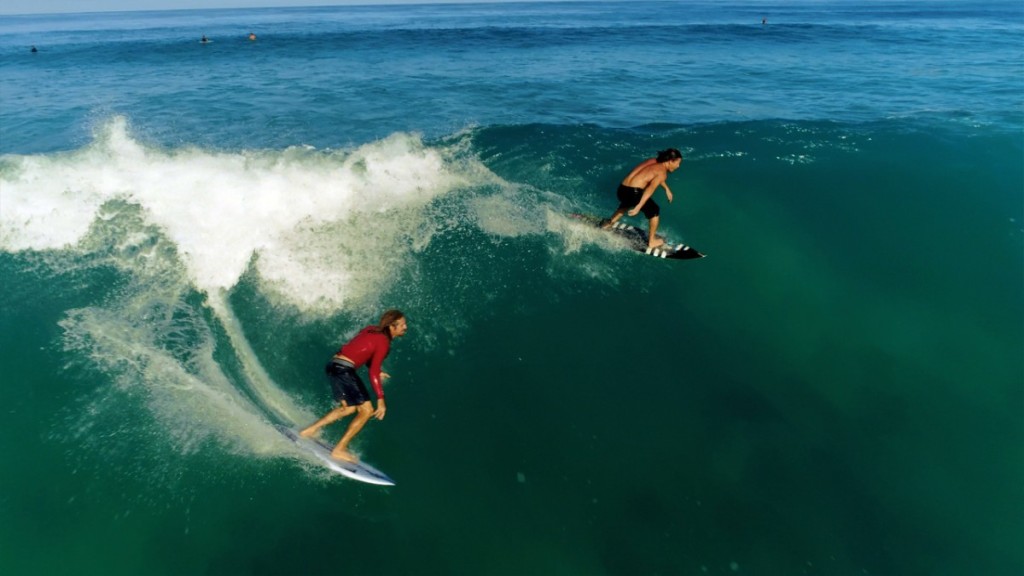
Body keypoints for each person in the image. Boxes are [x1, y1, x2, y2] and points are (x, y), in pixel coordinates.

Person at [300, 310, 408, 462]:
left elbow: (363, 348)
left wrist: (376, 370)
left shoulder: (370, 329)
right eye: (402, 324)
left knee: (349, 408)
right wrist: (381, 399)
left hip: (333, 365)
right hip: (344, 370)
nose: (406, 327)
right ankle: (339, 449)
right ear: (392, 326)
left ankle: (309, 430)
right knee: (367, 410)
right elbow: (373, 372)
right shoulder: (384, 342)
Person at [603, 148, 683, 249]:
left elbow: (652, 175)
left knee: (626, 203)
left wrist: (666, 188)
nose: (678, 166)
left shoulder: (652, 161)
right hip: (633, 192)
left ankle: (608, 224)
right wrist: (638, 206)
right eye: (678, 163)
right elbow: (650, 190)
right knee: (654, 210)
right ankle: (651, 241)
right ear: (671, 161)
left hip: (622, 189)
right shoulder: (662, 173)